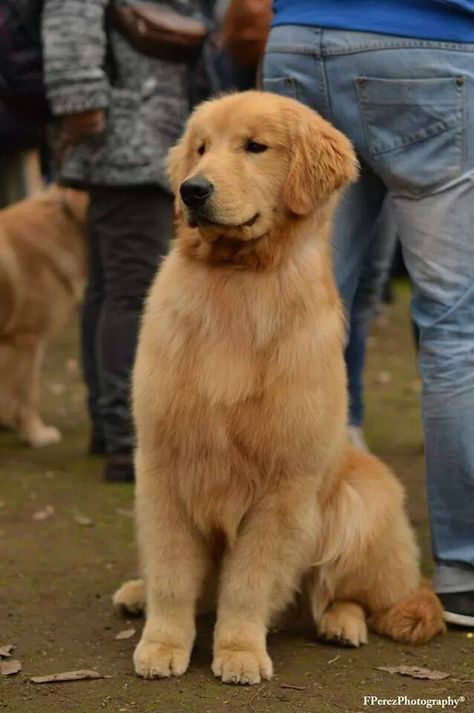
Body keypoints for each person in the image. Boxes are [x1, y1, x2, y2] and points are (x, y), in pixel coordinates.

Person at [263, 0, 474, 626]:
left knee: (293, 312)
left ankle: (260, 555)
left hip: (299, 41)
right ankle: (463, 568)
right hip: (433, 50)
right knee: (452, 326)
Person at [42, 0, 212, 482]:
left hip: (127, 134)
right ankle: (128, 438)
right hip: (128, 140)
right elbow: (70, 20)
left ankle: (108, 424)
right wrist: (85, 111)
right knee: (131, 293)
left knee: (110, 287)